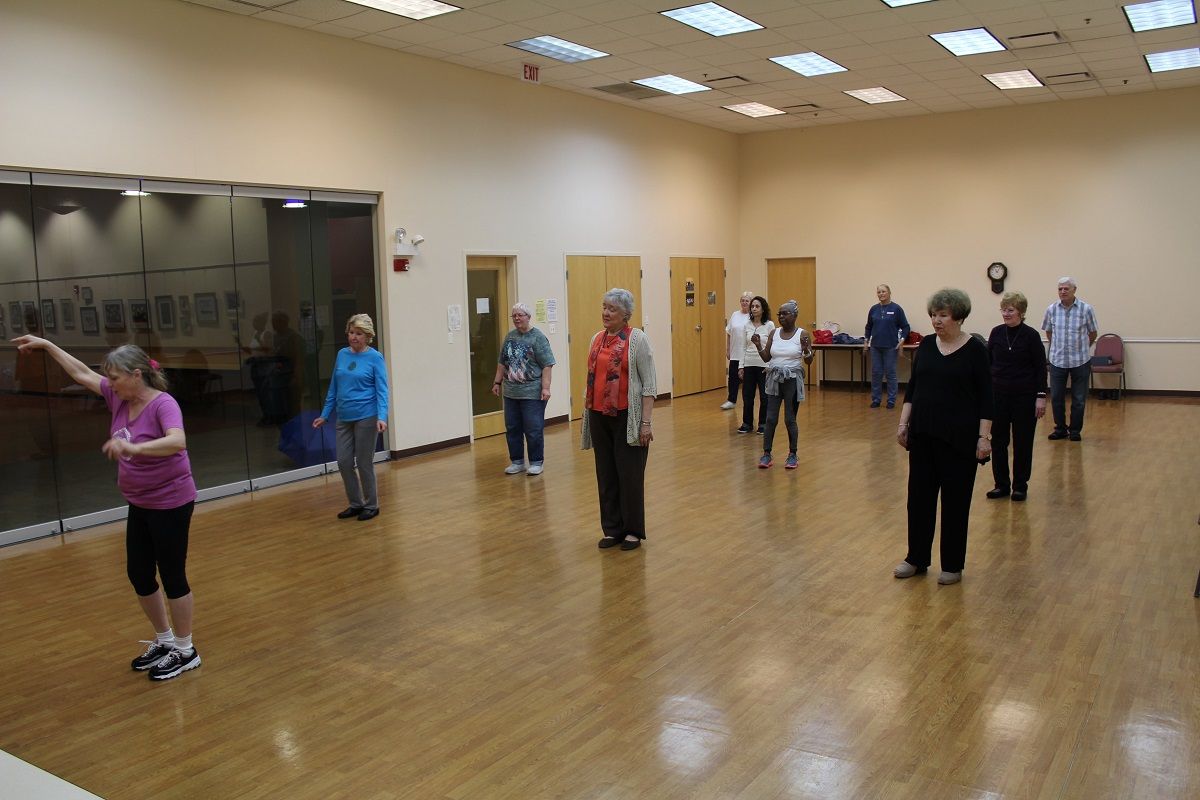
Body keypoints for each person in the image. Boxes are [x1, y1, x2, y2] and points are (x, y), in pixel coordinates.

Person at [13, 335, 201, 681]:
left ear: (137, 375)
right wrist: (48, 345)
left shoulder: (163, 404)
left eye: (114, 377)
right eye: (109, 378)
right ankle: (164, 640)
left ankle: (186, 650)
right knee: (139, 573)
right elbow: (81, 373)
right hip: (140, 501)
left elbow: (178, 441)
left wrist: (133, 450)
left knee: (173, 575)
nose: (109, 383)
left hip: (171, 500)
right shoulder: (118, 397)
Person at [894, 288, 993, 586]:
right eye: (934, 315)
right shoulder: (925, 346)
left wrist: (983, 437)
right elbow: (913, 389)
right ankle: (916, 558)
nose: (936, 321)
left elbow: (987, 398)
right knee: (919, 499)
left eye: (943, 315)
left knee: (955, 502)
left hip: (959, 439)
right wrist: (903, 424)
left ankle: (952, 564)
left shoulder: (975, 350)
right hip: (923, 434)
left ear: (959, 317)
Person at [581, 288, 656, 551]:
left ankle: (633, 530)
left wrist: (645, 423)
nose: (605, 313)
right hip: (599, 416)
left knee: (630, 475)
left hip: (628, 417)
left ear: (626, 314)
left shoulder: (637, 339)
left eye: (612, 309)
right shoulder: (597, 339)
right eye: (604, 307)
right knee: (606, 474)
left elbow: (649, 385)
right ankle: (612, 529)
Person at [314, 314, 389, 522]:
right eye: (351, 333)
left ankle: (371, 505)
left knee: (364, 462)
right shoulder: (342, 355)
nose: (353, 337)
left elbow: (382, 390)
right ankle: (355, 504)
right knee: (344, 462)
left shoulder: (375, 357)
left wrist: (382, 416)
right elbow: (334, 387)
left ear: (367, 336)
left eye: (358, 333)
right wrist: (325, 414)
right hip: (344, 416)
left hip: (367, 416)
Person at [986, 292, 1047, 502]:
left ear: (1020, 312)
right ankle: (1001, 484)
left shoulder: (1031, 335)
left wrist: (1041, 396)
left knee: (1022, 442)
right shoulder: (996, 333)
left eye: (1010, 310)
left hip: (1025, 396)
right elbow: (988, 363)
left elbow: (1040, 368)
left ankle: (1020, 485)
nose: (1006, 313)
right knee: (998, 441)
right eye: (1003, 309)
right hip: (998, 395)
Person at [492, 303, 555, 476]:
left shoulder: (538, 337)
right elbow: (502, 362)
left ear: (528, 317)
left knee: (533, 428)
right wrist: (497, 382)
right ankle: (517, 461)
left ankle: (536, 462)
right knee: (512, 427)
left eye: (520, 315)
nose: (517, 319)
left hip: (532, 391)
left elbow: (547, 365)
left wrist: (546, 388)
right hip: (511, 391)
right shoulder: (510, 337)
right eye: (514, 316)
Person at [751, 300, 812, 470]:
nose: (781, 317)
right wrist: (758, 345)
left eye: (785, 314)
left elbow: (808, 361)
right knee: (770, 418)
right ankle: (766, 454)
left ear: (795, 315)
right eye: (779, 314)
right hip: (774, 378)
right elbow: (766, 358)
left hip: (792, 380)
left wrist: (807, 349)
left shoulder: (802, 334)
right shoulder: (774, 333)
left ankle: (792, 454)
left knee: (789, 419)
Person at [1041, 277, 1098, 441]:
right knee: (1057, 397)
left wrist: (1083, 347)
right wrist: (1056, 347)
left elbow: (1093, 333)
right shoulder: (1051, 309)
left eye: (1066, 289)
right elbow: (1049, 332)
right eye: (1060, 289)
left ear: (1074, 290)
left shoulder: (1086, 309)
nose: (1063, 292)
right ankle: (1060, 429)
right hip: (1057, 360)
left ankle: (1075, 431)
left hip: (1080, 360)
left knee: (1079, 399)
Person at [864, 284, 911, 409]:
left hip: (891, 347)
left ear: (889, 293)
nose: (881, 294)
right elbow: (868, 327)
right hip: (875, 346)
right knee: (876, 373)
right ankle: (876, 399)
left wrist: (902, 340)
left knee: (890, 373)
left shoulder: (896, 309)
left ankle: (891, 401)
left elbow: (906, 327)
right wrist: (866, 341)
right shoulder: (873, 309)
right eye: (879, 292)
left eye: (883, 291)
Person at [736, 296, 773, 435]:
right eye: (752, 306)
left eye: (757, 306)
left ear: (763, 309)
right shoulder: (747, 325)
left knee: (764, 396)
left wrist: (769, 364)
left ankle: (763, 423)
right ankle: (747, 423)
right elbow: (743, 347)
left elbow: (771, 347)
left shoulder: (769, 325)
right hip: (749, 364)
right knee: (747, 395)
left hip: (764, 365)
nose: (754, 309)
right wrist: (741, 366)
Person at [721, 292, 753, 410]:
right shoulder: (735, 314)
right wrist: (728, 349)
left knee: (747, 378)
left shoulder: (752, 316)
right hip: (735, 352)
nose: (744, 302)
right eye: (742, 300)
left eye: (747, 300)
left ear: (751, 303)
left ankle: (748, 401)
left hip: (747, 353)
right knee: (733, 377)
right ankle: (731, 400)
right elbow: (729, 333)